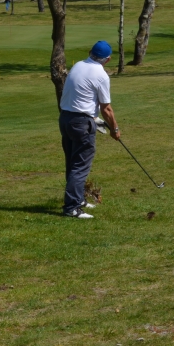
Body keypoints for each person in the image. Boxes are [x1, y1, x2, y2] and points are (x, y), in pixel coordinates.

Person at [58, 41, 120, 219]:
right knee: (80, 166)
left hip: (65, 119)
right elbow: (106, 108)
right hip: (81, 123)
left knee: (72, 162)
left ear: (89, 52)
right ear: (108, 60)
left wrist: (94, 118)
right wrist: (114, 129)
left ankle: (77, 199)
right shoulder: (101, 75)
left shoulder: (78, 65)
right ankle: (72, 208)